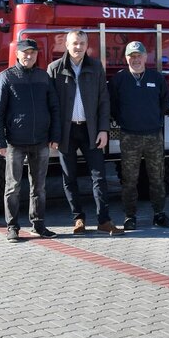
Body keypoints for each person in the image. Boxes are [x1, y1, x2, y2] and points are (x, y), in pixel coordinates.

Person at [48, 30, 123, 235]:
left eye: (82, 43)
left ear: (87, 45)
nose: (78, 47)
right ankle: (78, 219)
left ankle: (104, 221)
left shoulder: (96, 67)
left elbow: (104, 101)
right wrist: (54, 134)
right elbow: (50, 104)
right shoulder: (55, 69)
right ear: (66, 45)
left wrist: (104, 129)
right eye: (74, 43)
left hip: (91, 130)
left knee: (99, 176)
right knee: (69, 177)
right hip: (66, 131)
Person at [0, 38, 60, 243]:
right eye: (25, 52)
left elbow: (54, 108)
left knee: (39, 187)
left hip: (41, 141)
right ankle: (12, 227)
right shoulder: (6, 77)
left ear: (37, 55)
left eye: (33, 53)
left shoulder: (43, 77)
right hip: (15, 142)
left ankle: (38, 225)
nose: (29, 56)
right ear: (17, 54)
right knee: (13, 187)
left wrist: (54, 136)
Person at [108, 41, 169, 231]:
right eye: (132, 56)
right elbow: (112, 104)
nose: (135, 60)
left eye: (139, 56)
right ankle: (130, 216)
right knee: (129, 180)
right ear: (126, 58)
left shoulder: (156, 78)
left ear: (145, 57)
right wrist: (123, 119)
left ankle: (159, 214)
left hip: (154, 136)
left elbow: (165, 100)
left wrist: (155, 118)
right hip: (130, 137)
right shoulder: (119, 80)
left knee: (157, 178)